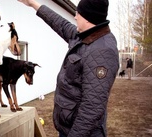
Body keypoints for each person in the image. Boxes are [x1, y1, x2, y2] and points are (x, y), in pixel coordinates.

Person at [17, 0, 119, 137]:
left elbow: (92, 108)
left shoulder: (103, 51)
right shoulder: (84, 37)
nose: (75, 17)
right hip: (68, 128)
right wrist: (33, 4)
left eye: (78, 13)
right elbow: (60, 23)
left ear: (88, 18)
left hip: (83, 133)